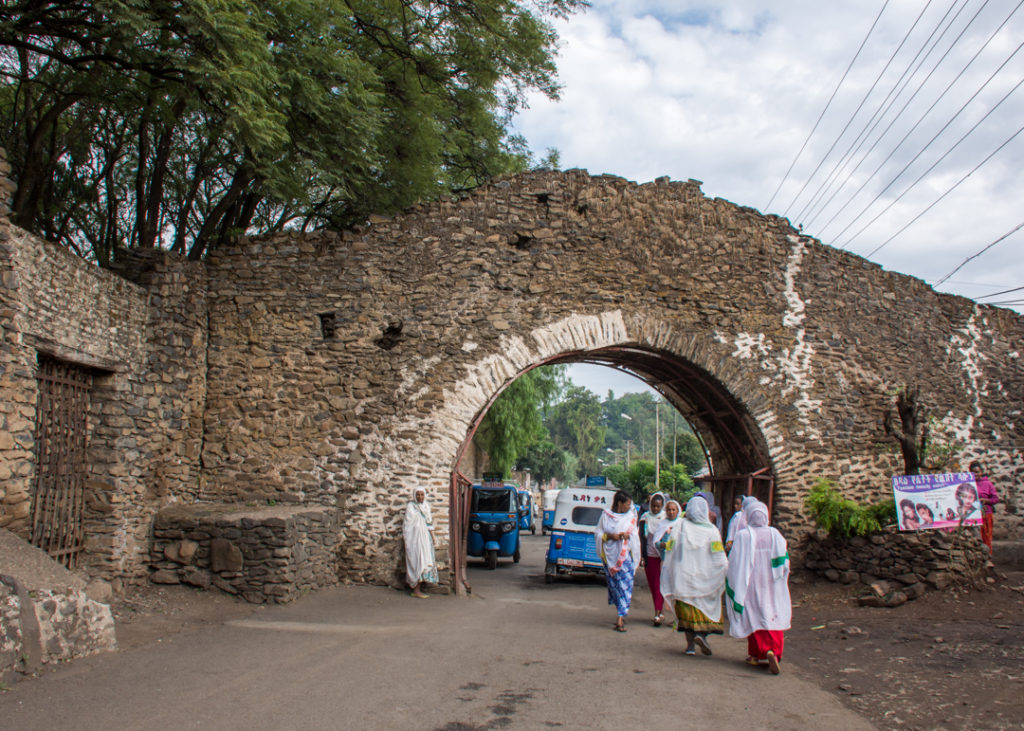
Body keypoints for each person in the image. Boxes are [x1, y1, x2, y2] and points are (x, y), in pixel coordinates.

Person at [726, 499, 791, 675]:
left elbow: (735, 561)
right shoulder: (775, 534)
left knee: (753, 615)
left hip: (751, 583)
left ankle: (755, 654)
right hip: (772, 584)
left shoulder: (743, 535)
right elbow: (784, 561)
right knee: (772, 614)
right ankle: (773, 652)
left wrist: (732, 580)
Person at [660, 495, 728, 657]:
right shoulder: (712, 530)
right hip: (705, 580)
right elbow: (718, 556)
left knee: (686, 615)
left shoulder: (681, 525)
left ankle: (690, 646)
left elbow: (672, 548)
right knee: (703, 611)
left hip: (683, 578)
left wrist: (671, 569)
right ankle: (702, 635)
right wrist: (724, 570)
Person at [595, 490, 641, 632]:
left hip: (625, 557)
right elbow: (598, 533)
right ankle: (619, 610)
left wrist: (626, 536)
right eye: (627, 504)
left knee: (625, 586)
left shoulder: (631, 517)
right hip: (609, 558)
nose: (629, 506)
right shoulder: (606, 516)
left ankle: (620, 618)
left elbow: (635, 536)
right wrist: (610, 536)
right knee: (614, 587)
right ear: (620, 503)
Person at [403, 486, 438, 598]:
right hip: (414, 539)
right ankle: (415, 589)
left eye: (422, 494)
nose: (420, 497)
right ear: (414, 495)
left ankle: (419, 588)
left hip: (424, 539)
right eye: (417, 494)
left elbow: (428, 522)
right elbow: (408, 524)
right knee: (416, 561)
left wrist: (433, 536)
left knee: (424, 561)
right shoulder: (411, 507)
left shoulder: (426, 506)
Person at [639, 492, 667, 626]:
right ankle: (659, 610)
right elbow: (641, 538)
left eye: (658, 506)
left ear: (662, 506)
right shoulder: (645, 518)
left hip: (662, 557)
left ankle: (657, 612)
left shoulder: (666, 519)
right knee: (652, 585)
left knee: (658, 585)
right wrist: (641, 555)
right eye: (654, 506)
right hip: (649, 556)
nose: (656, 509)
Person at [969, 461, 1000, 552]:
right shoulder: (969, 484)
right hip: (973, 515)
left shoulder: (988, 484)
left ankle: (988, 559)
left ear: (981, 472)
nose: (976, 474)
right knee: (976, 538)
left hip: (986, 514)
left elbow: (995, 499)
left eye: (977, 472)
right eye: (973, 472)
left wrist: (986, 500)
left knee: (986, 537)